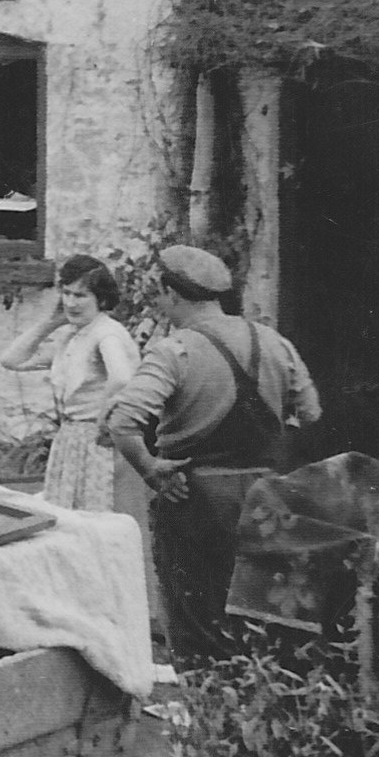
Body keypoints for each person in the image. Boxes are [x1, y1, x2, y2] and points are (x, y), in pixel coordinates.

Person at [105, 245, 321, 661]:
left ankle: (207, 710)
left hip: (196, 500)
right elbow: (309, 413)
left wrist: (152, 470)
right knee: (265, 614)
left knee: (198, 619)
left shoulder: (175, 351)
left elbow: (123, 423)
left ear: (171, 292)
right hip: (268, 495)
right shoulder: (274, 341)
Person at [0, 254, 140, 511]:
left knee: (99, 516)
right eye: (67, 293)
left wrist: (102, 422)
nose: (71, 302)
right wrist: (51, 323)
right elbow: (12, 360)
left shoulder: (106, 333)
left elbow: (121, 377)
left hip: (100, 444)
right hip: (72, 442)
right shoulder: (75, 337)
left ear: (102, 298)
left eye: (81, 295)